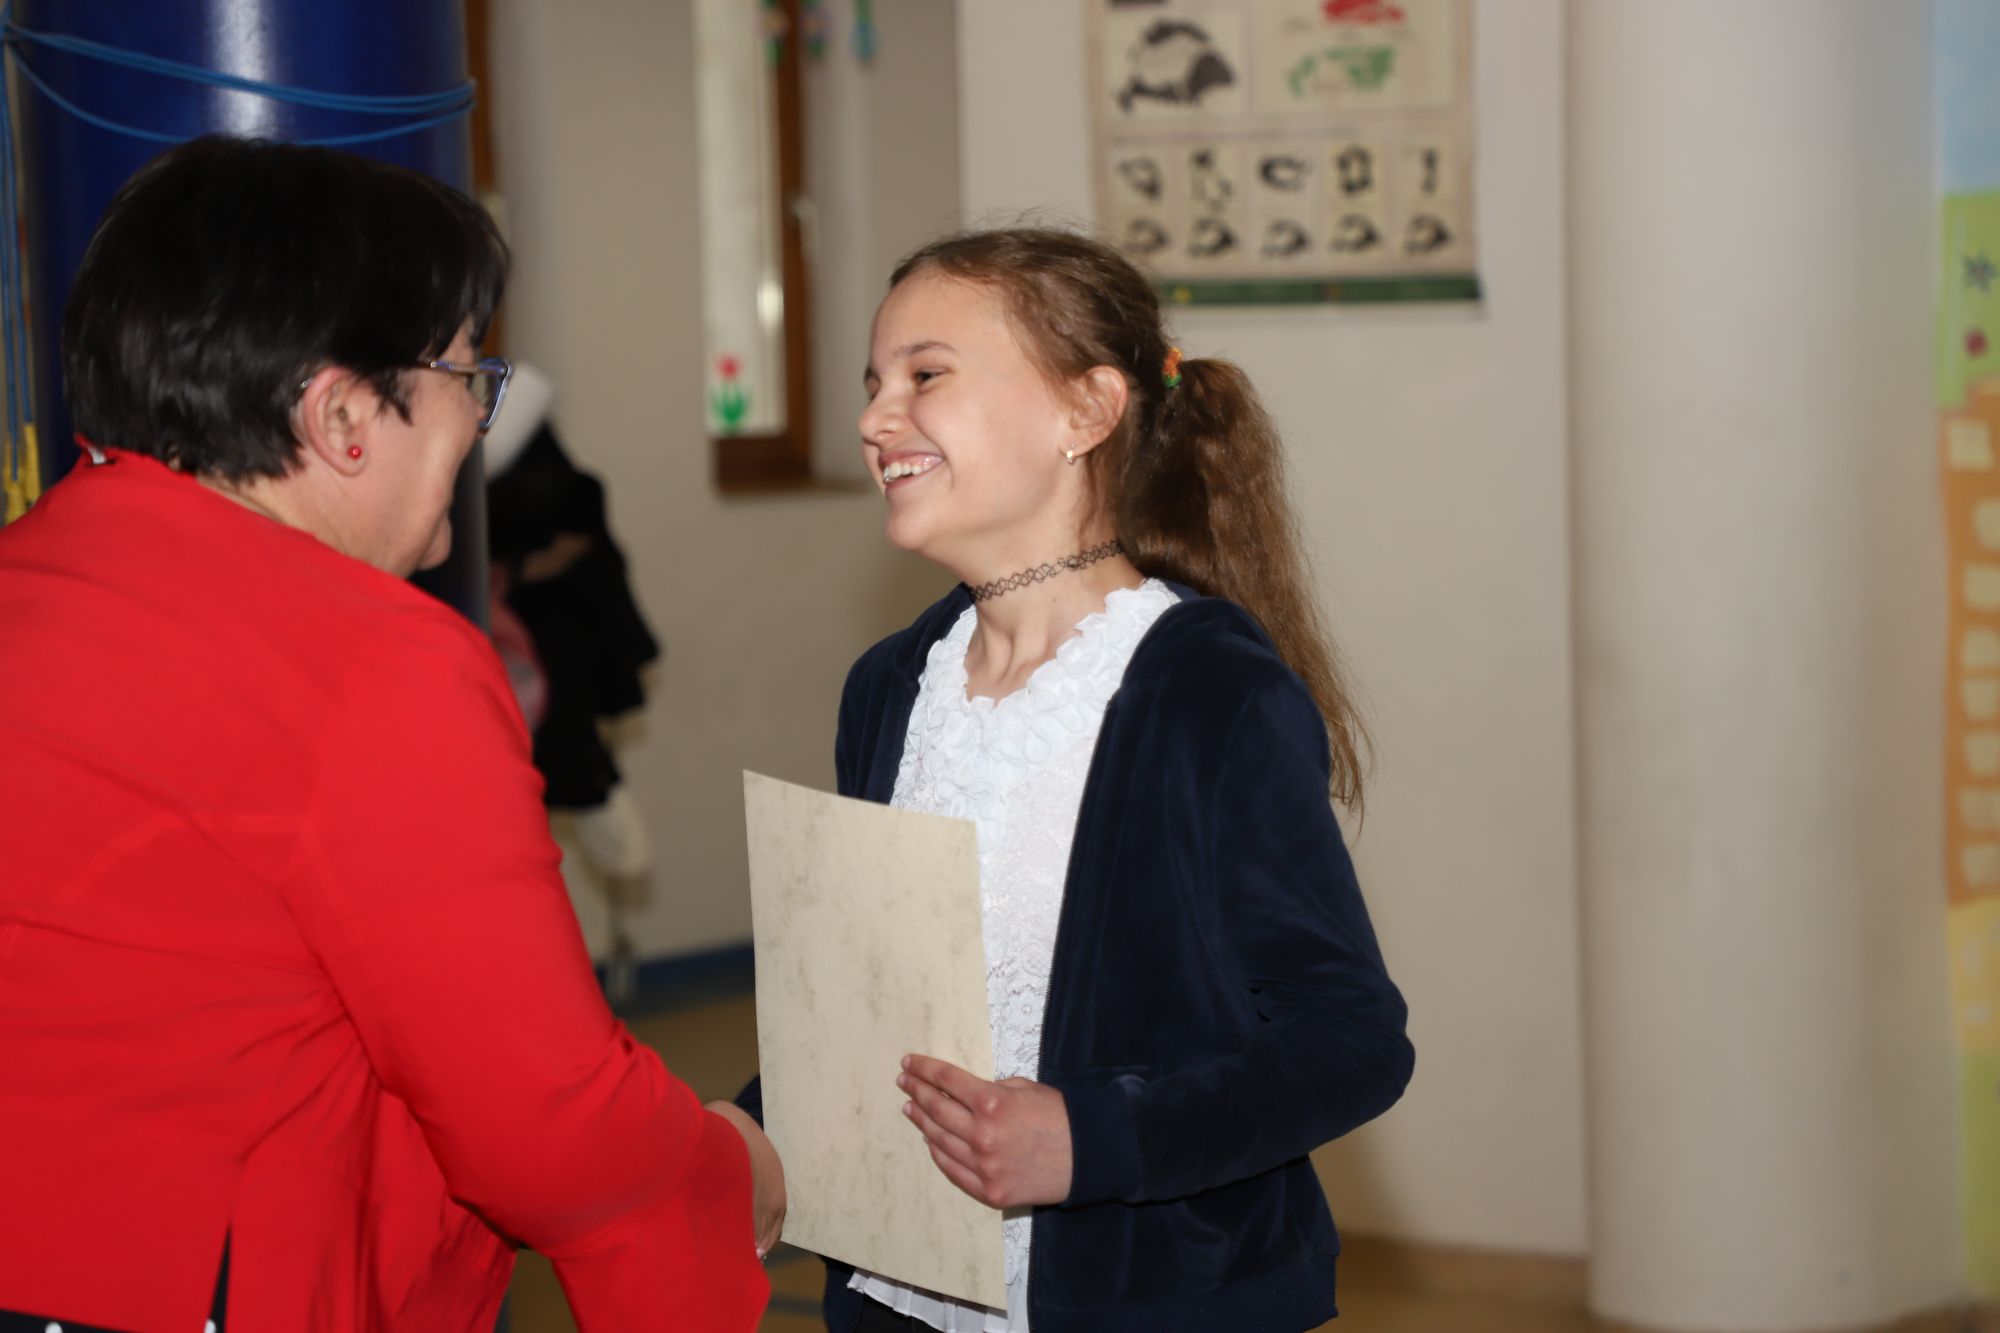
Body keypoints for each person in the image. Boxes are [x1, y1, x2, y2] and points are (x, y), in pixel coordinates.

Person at [0, 136, 779, 1333]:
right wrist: (727, 1170)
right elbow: (546, 1123)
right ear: (344, 416)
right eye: (468, 374)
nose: (477, 420)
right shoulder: (371, 664)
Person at [773, 226, 1415, 1333]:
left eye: (925, 376)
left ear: (1086, 411)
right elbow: (869, 1005)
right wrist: (756, 1126)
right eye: (873, 383)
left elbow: (1350, 1038)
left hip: (1149, 1299)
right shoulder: (889, 687)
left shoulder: (1206, 692)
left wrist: (1091, 1140)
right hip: (900, 1294)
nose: (876, 419)